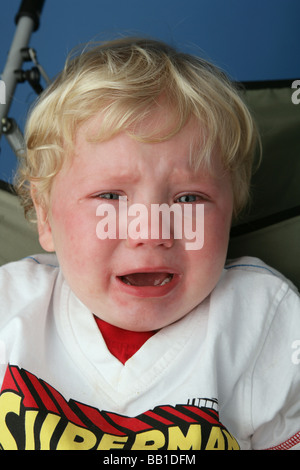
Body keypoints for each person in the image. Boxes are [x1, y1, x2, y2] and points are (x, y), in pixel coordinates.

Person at [0, 37, 299, 451]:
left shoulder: (263, 322)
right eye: (110, 197)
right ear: (46, 217)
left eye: (189, 199)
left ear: (231, 212)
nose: (152, 231)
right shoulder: (10, 310)